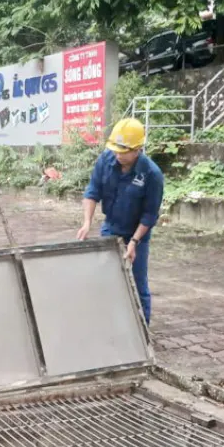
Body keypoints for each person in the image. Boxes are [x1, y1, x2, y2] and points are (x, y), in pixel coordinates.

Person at [76, 118, 164, 324]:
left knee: (137, 282)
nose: (118, 155)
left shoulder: (152, 175)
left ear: (138, 149)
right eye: (115, 149)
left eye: (123, 151)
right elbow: (92, 192)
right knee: (108, 279)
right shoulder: (106, 160)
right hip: (111, 227)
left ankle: (142, 333)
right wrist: (87, 222)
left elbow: (149, 215)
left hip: (137, 234)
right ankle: (110, 326)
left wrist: (133, 242)